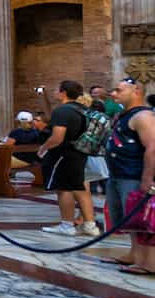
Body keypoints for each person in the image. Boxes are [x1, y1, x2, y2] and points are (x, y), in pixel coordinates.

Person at [104, 78, 154, 273]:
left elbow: (153, 148)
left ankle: (149, 263)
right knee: (129, 218)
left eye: (119, 90)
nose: (113, 94)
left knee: (143, 219)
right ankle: (134, 254)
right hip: (118, 174)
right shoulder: (124, 115)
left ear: (136, 92)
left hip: (134, 175)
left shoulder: (143, 116)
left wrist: (147, 179)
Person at [38, 80, 98, 236]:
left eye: (56, 90)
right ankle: (89, 224)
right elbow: (52, 118)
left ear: (63, 92)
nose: (55, 92)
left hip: (63, 154)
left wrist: (43, 148)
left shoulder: (63, 111)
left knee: (64, 189)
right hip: (80, 152)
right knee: (78, 187)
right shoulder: (83, 109)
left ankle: (66, 225)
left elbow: (57, 137)